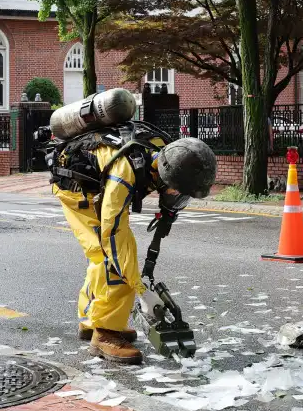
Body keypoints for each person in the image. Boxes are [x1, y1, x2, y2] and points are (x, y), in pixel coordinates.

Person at [51, 116, 217, 365]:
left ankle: (92, 320)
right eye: (179, 193)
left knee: (103, 255)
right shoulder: (124, 173)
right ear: (165, 177)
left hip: (100, 185)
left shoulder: (167, 155)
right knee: (114, 257)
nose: (178, 198)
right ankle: (105, 333)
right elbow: (113, 234)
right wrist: (140, 288)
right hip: (78, 191)